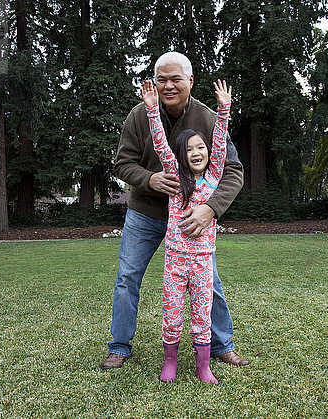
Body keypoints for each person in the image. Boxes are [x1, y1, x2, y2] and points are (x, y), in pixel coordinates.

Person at [101, 51, 248, 370]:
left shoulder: (209, 118)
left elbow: (232, 168)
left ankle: (222, 345)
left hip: (192, 220)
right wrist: (149, 178)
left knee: (210, 282)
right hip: (145, 212)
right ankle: (119, 346)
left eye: (175, 79)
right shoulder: (141, 115)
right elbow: (122, 163)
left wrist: (211, 208)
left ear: (190, 81)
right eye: (161, 79)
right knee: (127, 276)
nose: (168, 85)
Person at [141, 78, 232, 384]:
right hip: (175, 261)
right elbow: (161, 145)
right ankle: (170, 362)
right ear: (181, 156)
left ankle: (203, 365)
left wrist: (223, 108)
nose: (196, 152)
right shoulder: (176, 181)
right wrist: (153, 110)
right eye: (189, 149)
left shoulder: (213, 178)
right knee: (171, 314)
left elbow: (220, 144)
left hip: (204, 261)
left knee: (202, 316)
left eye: (200, 147)